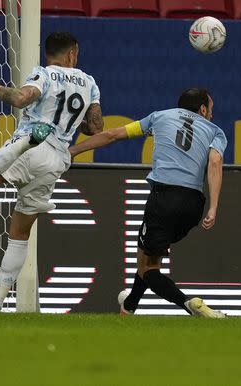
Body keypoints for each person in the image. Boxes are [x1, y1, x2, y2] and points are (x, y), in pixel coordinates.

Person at [0, 31, 103, 312]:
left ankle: (17, 148)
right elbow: (95, 127)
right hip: (56, 162)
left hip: (33, 146)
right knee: (20, 232)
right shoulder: (90, 83)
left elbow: (20, 98)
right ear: (73, 53)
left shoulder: (44, 74)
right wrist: (71, 117)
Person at [69, 88, 227, 318]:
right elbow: (215, 162)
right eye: (211, 109)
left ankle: (189, 304)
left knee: (147, 267)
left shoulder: (160, 117)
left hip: (164, 199)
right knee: (149, 258)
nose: (211, 114)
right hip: (194, 205)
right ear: (202, 109)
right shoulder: (216, 132)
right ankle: (129, 307)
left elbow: (113, 135)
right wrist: (213, 207)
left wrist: (74, 149)